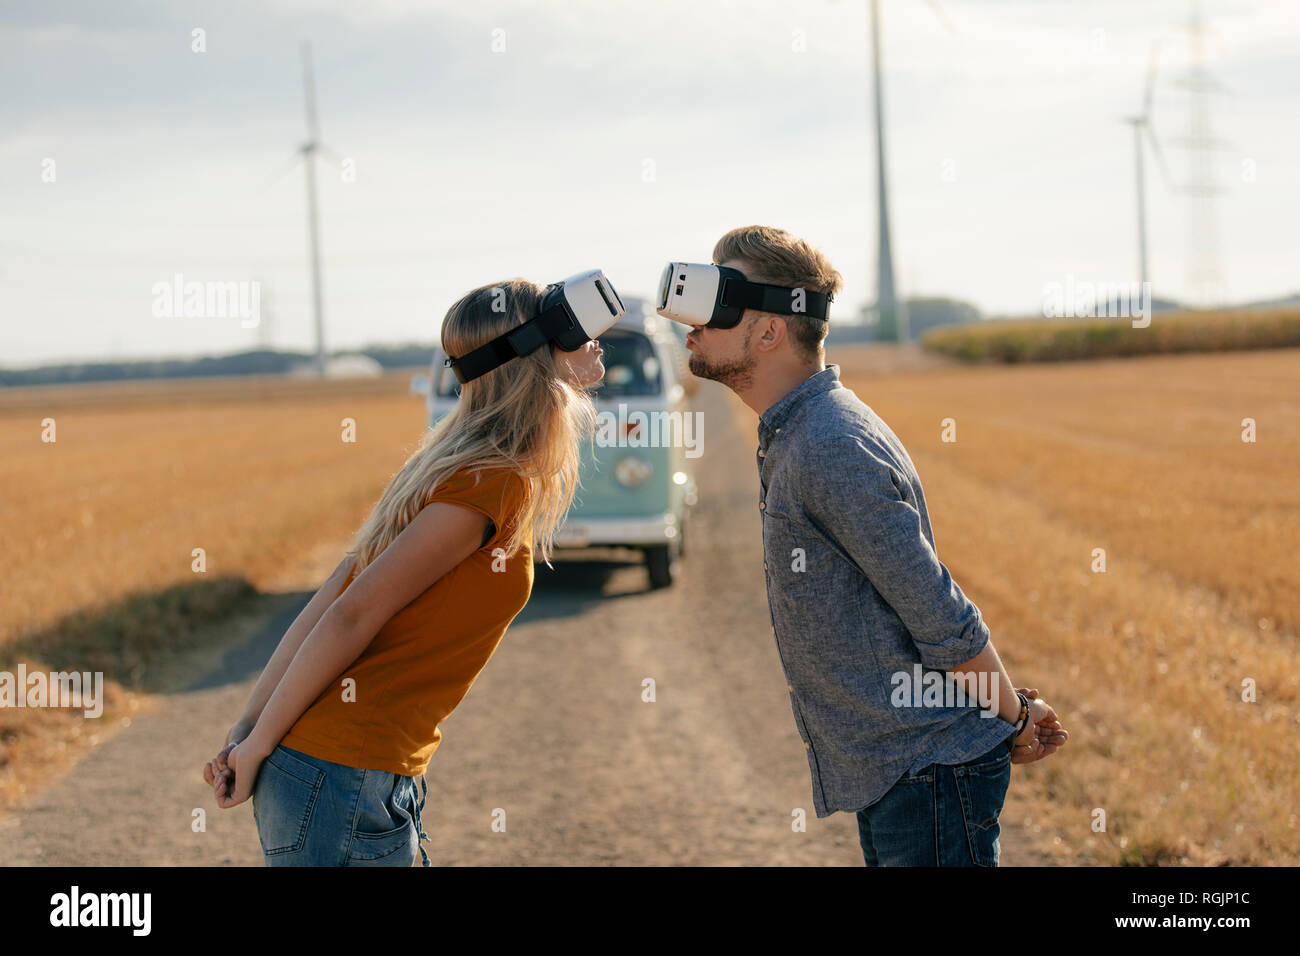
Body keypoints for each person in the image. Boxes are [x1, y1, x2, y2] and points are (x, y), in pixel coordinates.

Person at [670, 225, 1068, 866]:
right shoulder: (802, 430)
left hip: (929, 775)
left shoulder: (827, 444)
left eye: (718, 302)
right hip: (906, 774)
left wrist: (1013, 718)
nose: (690, 321)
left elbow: (939, 613)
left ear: (770, 330)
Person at [201, 276, 605, 866]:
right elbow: (349, 612)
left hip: (347, 776)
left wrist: (247, 731)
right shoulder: (492, 480)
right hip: (340, 780)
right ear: (534, 353)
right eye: (570, 324)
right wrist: (253, 739)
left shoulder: (450, 467)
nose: (594, 339)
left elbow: (330, 602)